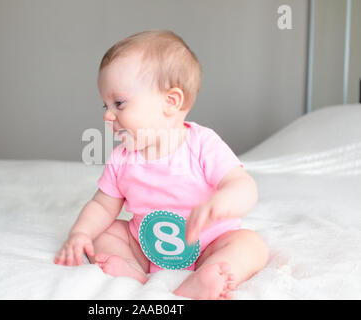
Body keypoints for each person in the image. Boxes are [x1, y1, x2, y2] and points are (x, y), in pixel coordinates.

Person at [54, 30, 269, 300]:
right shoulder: (122, 158)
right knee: (106, 233)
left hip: (209, 243)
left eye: (119, 103)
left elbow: (242, 185)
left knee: (252, 244)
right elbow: (101, 205)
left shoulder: (202, 143)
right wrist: (81, 233)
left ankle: (211, 275)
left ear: (170, 102)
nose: (108, 115)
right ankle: (134, 272)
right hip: (145, 246)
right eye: (106, 106)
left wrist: (225, 200)